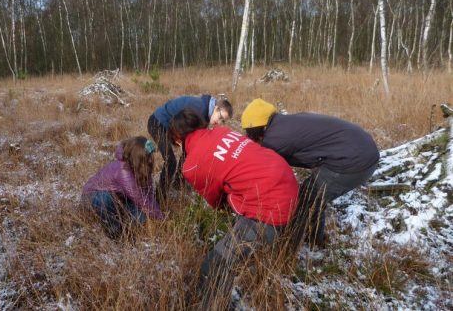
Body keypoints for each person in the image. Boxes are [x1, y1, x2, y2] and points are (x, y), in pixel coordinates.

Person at [169, 109, 298, 308]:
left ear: (178, 139)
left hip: (270, 209)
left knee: (214, 264)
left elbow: (216, 202)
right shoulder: (222, 131)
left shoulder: (192, 165)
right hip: (287, 182)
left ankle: (213, 306)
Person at [241, 98, 380, 248]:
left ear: (256, 129)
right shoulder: (285, 123)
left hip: (354, 162)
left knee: (308, 200)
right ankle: (312, 238)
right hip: (364, 148)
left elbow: (266, 172)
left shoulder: (275, 139)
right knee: (311, 194)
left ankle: (304, 245)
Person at [147, 94, 233, 198]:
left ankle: (178, 184)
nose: (219, 122)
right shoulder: (199, 109)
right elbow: (181, 129)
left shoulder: (205, 114)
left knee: (187, 153)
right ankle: (159, 198)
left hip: (168, 126)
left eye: (222, 121)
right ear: (216, 108)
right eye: (220, 117)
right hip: (158, 123)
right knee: (171, 161)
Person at [81, 136, 164, 239]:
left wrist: (157, 212)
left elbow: (148, 193)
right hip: (91, 197)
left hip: (118, 198)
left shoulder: (142, 166)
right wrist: (161, 218)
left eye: (151, 156)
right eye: (148, 157)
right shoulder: (123, 171)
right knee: (104, 199)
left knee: (141, 216)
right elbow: (141, 199)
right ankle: (115, 231)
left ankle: (124, 221)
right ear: (138, 158)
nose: (151, 161)